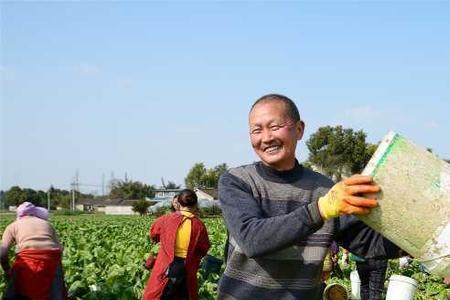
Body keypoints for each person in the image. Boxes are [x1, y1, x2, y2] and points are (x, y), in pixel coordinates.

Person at [217, 94, 400, 299]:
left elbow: (367, 243)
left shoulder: (325, 189)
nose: (266, 137)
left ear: (299, 129)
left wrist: (423, 242)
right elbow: (252, 239)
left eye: (275, 127)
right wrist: (321, 210)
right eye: (256, 130)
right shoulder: (237, 181)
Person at [142, 189, 210, 300]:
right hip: (186, 270)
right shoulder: (199, 225)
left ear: (178, 203)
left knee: (159, 294)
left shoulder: (165, 219)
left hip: (166, 267)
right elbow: (203, 248)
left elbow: (153, 234)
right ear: (196, 204)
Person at [0, 202, 67, 300]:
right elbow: (60, 249)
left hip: (27, 261)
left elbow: (3, 253)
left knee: (14, 294)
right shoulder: (47, 224)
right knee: (54, 294)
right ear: (35, 214)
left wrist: (7, 270)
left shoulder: (12, 226)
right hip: (52, 260)